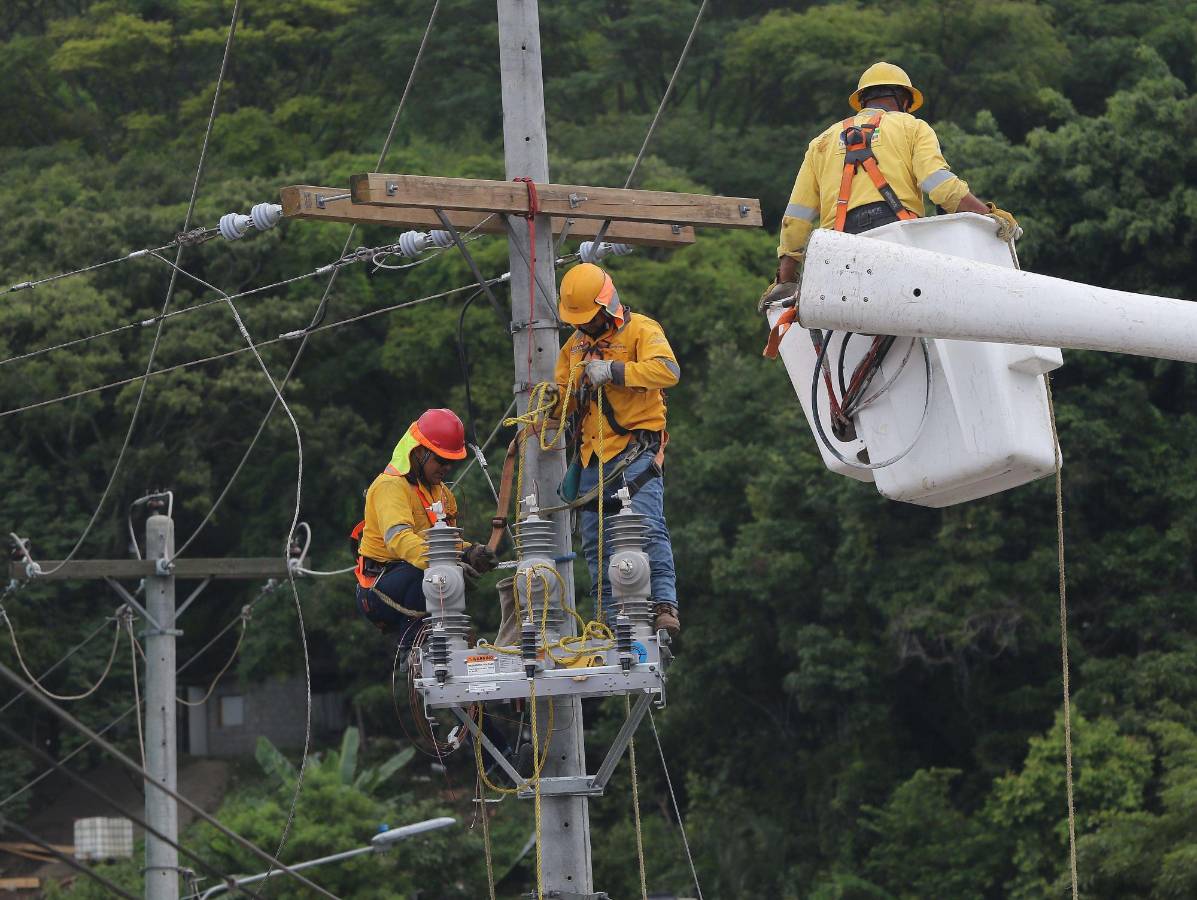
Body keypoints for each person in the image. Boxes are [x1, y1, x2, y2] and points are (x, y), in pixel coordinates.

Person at [763, 61, 1020, 306]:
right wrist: (988, 215)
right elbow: (941, 187)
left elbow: (795, 219)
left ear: (862, 101)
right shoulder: (912, 127)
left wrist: (784, 281)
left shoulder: (822, 142)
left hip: (836, 253)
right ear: (904, 100)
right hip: (898, 243)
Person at [553, 263, 681, 637]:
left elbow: (667, 371)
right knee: (596, 544)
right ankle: (610, 619)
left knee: (646, 528)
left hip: (635, 452)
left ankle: (662, 604)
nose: (585, 326)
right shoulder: (573, 347)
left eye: (590, 319)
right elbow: (561, 403)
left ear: (607, 305)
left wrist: (614, 371)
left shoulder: (642, 329)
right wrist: (553, 404)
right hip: (592, 458)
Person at [352, 408, 498, 647]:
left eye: (451, 462)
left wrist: (469, 552)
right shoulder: (390, 486)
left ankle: (446, 642)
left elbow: (443, 542)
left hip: (413, 576)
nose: (446, 468)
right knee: (434, 576)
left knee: (443, 577)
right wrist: (446, 562)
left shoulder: (442, 493)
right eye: (441, 460)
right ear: (419, 452)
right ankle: (414, 649)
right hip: (378, 587)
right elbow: (398, 539)